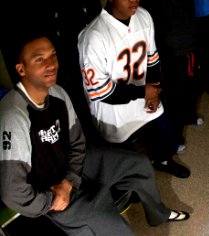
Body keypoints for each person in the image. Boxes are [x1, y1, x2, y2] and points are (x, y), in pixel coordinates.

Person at [0, 34, 190, 236]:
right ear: (21, 69)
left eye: (53, 56)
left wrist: (71, 178)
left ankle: (157, 214)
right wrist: (52, 200)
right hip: (51, 191)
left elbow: (77, 141)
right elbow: (13, 193)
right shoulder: (14, 116)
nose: (51, 64)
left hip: (73, 167)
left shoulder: (57, 93)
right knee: (120, 231)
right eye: (39, 59)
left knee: (140, 165)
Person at [78, 0, 190, 179]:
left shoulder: (144, 17)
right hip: (113, 108)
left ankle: (163, 160)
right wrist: (144, 93)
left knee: (167, 136)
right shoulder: (93, 36)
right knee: (127, 167)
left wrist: (154, 91)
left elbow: (152, 59)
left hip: (143, 92)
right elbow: (100, 93)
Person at [132, 0, 209, 146]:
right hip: (169, 59)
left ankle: (188, 115)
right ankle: (175, 138)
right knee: (173, 99)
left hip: (191, 52)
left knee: (193, 89)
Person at [41, 0, 102, 141]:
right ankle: (81, 137)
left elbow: (96, 15)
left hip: (86, 51)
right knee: (71, 96)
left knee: (92, 93)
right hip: (63, 55)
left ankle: (97, 132)